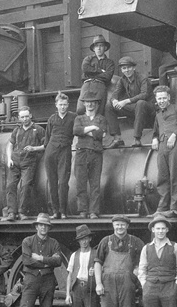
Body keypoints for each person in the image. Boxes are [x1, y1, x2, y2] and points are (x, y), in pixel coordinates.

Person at [7, 213, 64, 307]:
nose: (43, 227)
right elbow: (27, 261)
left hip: (47, 282)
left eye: (46, 225)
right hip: (31, 280)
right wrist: (47, 262)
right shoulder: (27, 241)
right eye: (41, 225)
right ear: (37, 226)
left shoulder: (54, 243)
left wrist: (41, 258)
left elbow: (58, 262)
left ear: (48, 228)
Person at [95, 215, 146, 307]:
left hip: (127, 284)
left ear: (127, 226)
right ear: (113, 226)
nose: (120, 227)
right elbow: (98, 263)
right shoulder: (105, 242)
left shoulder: (136, 242)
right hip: (108, 284)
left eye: (122, 225)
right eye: (117, 225)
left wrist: (137, 274)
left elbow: (142, 263)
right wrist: (99, 283)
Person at [151, 85, 177, 218]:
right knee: (162, 177)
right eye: (159, 98)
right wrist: (154, 139)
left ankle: (174, 209)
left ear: (168, 97)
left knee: (175, 175)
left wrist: (175, 134)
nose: (162, 101)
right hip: (163, 146)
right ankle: (162, 208)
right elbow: (156, 131)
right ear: (156, 100)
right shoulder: (158, 115)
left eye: (164, 98)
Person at [65, 224, 103, 307]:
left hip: (90, 289)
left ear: (90, 239)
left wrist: (93, 273)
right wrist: (68, 294)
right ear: (78, 241)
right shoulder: (74, 255)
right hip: (77, 289)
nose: (84, 241)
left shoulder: (95, 253)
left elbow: (101, 271)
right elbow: (69, 275)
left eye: (86, 238)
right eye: (82, 239)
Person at [2, 106, 45, 222]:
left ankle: (22, 212)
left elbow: (45, 145)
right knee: (10, 185)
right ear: (19, 118)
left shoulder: (38, 129)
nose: (25, 119)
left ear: (30, 115)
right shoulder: (17, 130)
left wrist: (34, 148)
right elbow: (10, 145)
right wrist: (9, 159)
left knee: (25, 186)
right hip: (15, 161)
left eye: (27, 116)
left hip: (29, 162)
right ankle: (11, 213)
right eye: (22, 117)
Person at [105, 56, 155, 148]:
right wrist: (114, 100)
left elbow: (144, 95)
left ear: (134, 68)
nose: (127, 70)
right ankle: (117, 138)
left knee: (140, 103)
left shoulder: (142, 78)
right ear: (121, 70)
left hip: (149, 108)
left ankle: (137, 139)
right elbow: (115, 93)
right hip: (134, 107)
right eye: (124, 68)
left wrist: (126, 101)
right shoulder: (122, 80)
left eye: (129, 67)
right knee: (109, 106)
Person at [73, 91, 108, 219]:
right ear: (84, 104)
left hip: (96, 153)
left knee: (95, 183)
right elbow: (76, 130)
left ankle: (93, 211)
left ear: (97, 104)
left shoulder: (101, 118)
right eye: (87, 102)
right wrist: (93, 127)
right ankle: (82, 210)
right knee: (80, 182)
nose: (90, 105)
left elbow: (101, 135)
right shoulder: (79, 118)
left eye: (92, 102)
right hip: (82, 152)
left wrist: (85, 131)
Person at [44, 93, 76, 218]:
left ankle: (63, 211)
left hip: (65, 151)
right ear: (56, 105)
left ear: (68, 105)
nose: (62, 107)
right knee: (52, 183)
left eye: (65, 105)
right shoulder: (52, 119)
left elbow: (77, 131)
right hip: (51, 152)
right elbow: (47, 138)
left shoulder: (73, 117)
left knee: (63, 182)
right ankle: (55, 211)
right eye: (60, 105)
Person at [78, 34, 115, 115]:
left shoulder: (109, 62)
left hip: (100, 85)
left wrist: (91, 74)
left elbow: (107, 77)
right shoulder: (88, 59)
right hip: (87, 84)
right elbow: (85, 69)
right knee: (80, 109)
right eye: (96, 46)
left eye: (101, 46)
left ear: (105, 48)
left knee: (99, 111)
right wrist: (100, 71)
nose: (99, 48)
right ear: (94, 48)